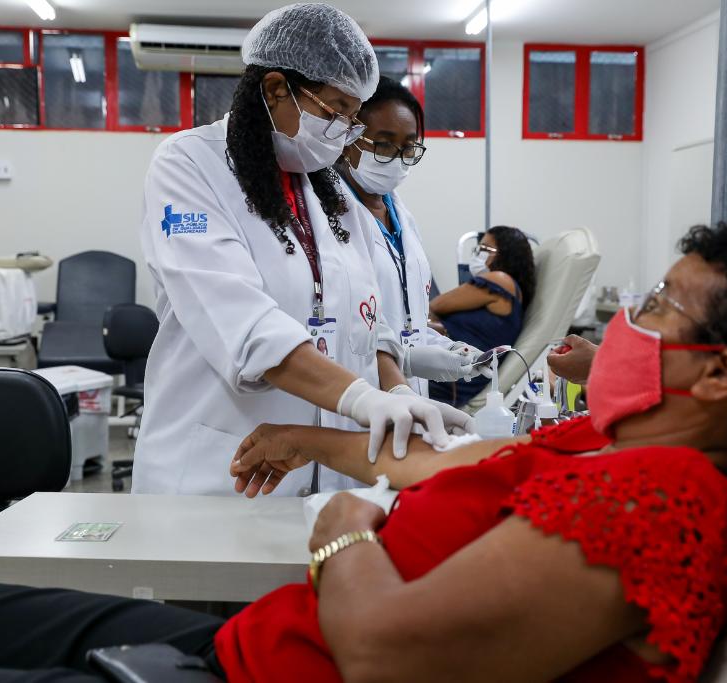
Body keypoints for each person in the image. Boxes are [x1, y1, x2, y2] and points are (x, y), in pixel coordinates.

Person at [0, 224, 727, 683]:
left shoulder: (665, 498)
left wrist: (344, 530)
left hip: (260, 668)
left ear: (721, 373)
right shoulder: (598, 441)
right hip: (249, 641)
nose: (628, 321)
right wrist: (317, 440)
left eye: (656, 306)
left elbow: (388, 650)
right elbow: (451, 465)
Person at [132, 3, 472, 496]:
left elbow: (367, 324)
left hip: (322, 477)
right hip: (217, 469)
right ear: (275, 89)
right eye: (336, 110)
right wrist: (360, 399)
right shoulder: (188, 166)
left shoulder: (329, 194)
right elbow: (243, 322)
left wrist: (396, 391)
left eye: (354, 118)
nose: (344, 131)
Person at [335, 76, 487, 398]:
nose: (396, 157)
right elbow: (344, 328)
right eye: (384, 143)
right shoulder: (330, 215)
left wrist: (451, 351)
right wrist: (407, 359)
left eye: (408, 147)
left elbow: (410, 320)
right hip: (360, 396)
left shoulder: (402, 217)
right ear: (350, 136)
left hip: (411, 395)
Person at [428, 225, 537, 406]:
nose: (478, 254)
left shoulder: (500, 281)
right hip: (451, 371)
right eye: (478, 249)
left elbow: (435, 305)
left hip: (450, 381)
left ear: (506, 255)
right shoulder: (509, 292)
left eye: (485, 249)